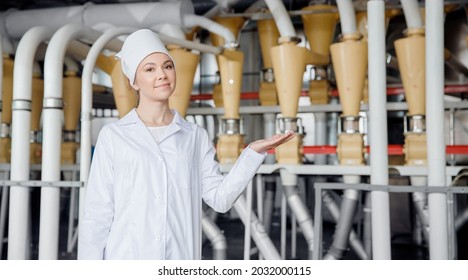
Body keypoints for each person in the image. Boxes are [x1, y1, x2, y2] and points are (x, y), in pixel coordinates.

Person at [78, 29, 295, 260]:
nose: (161, 74)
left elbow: (220, 200)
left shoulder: (194, 136)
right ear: (134, 81)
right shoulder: (114, 136)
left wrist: (252, 153)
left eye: (167, 66)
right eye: (149, 69)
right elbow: (97, 216)